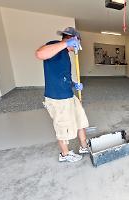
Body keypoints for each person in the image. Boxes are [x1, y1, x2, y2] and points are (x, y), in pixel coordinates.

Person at [36, 27, 89, 162]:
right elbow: (39, 54)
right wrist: (66, 44)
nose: (75, 48)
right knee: (63, 127)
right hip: (58, 98)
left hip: (69, 94)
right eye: (76, 43)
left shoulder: (65, 54)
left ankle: (84, 146)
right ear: (73, 39)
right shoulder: (54, 46)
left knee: (80, 119)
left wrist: (74, 84)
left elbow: (63, 76)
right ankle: (65, 154)